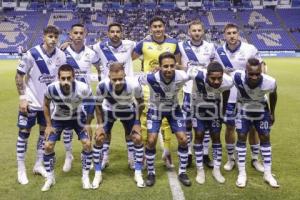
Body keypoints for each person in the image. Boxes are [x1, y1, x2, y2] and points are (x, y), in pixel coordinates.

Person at [15, 25, 66, 185]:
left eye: (55, 37)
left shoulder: (61, 56)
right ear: (44, 36)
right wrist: (23, 97)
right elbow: (19, 76)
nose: (53, 40)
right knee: (24, 133)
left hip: (48, 105)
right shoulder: (32, 54)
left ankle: (38, 164)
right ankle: (21, 168)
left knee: (44, 134)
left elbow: (60, 79)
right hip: (30, 102)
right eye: (50, 36)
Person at [132, 16, 181, 169]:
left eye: (160, 26)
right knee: (146, 120)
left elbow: (178, 63)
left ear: (164, 27)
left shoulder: (173, 43)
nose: (158, 29)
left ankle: (167, 153)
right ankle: (147, 153)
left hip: (167, 86)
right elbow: (130, 57)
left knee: (166, 122)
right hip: (149, 87)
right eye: (155, 26)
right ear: (150, 28)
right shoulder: (143, 43)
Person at [214, 23, 264, 172]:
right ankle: (231, 159)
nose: (232, 36)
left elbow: (261, 68)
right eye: (228, 33)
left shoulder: (250, 49)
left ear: (238, 33)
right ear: (224, 35)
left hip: (249, 97)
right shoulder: (219, 52)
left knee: (253, 128)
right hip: (229, 97)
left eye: (234, 32)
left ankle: (255, 159)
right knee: (230, 127)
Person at [139, 52, 191, 187]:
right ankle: (151, 172)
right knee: (151, 140)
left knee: (184, 139)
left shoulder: (182, 76)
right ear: (160, 67)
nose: (169, 69)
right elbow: (135, 81)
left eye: (172, 66)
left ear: (175, 66)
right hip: (155, 109)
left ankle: (183, 172)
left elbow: (196, 72)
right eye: (165, 66)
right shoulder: (150, 78)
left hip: (174, 109)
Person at [42, 64, 94, 191]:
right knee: (48, 146)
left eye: (68, 78)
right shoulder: (51, 89)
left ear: (74, 77)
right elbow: (45, 104)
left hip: (78, 117)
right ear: (58, 78)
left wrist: (87, 124)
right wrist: (48, 125)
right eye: (63, 78)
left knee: (87, 144)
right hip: (59, 119)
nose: (66, 81)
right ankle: (50, 178)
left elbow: (91, 104)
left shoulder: (82, 87)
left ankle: (85, 176)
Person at [93, 62, 145, 188]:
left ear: (125, 75)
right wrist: (99, 125)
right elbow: (97, 106)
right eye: (114, 79)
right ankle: (99, 171)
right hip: (109, 110)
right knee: (100, 137)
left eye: (120, 79)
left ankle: (136, 169)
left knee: (136, 137)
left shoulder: (134, 84)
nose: (117, 82)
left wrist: (137, 123)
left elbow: (140, 102)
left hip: (127, 110)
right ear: (109, 76)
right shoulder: (102, 86)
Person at [92, 22, 136, 169]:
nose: (115, 34)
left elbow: (147, 43)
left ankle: (131, 157)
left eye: (118, 31)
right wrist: (67, 43)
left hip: (126, 96)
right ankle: (105, 157)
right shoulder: (99, 47)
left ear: (122, 33)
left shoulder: (130, 44)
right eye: (112, 31)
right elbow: (85, 52)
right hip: (108, 97)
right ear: (108, 33)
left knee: (129, 131)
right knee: (106, 131)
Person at [233, 58, 279, 188]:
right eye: (251, 74)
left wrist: (272, 113)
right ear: (245, 71)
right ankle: (242, 173)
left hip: (261, 108)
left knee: (265, 137)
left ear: (261, 72)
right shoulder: (236, 76)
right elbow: (224, 87)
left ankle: (267, 173)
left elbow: (274, 95)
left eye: (257, 74)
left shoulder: (270, 82)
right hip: (243, 108)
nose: (254, 77)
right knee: (241, 136)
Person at [62, 23, 101, 173]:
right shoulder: (62, 52)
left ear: (85, 35)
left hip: (86, 95)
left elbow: (100, 67)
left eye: (81, 33)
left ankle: (88, 153)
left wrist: (99, 83)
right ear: (70, 35)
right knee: (67, 126)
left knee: (87, 125)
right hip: (68, 96)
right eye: (75, 33)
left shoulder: (91, 53)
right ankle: (68, 155)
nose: (78, 35)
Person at [187, 61, 233, 184]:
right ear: (207, 75)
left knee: (216, 137)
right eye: (213, 78)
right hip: (198, 109)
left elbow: (227, 91)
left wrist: (223, 111)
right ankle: (200, 169)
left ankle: (216, 169)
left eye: (219, 78)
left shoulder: (227, 81)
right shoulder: (196, 74)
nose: (217, 82)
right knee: (199, 135)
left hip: (214, 110)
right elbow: (180, 69)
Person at [178, 19, 215, 168]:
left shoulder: (210, 47)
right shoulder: (181, 46)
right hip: (188, 91)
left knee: (205, 125)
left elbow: (213, 67)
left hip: (206, 92)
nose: (197, 33)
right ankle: (188, 154)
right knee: (187, 124)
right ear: (189, 32)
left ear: (203, 31)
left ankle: (205, 153)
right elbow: (178, 66)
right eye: (194, 30)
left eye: (199, 30)